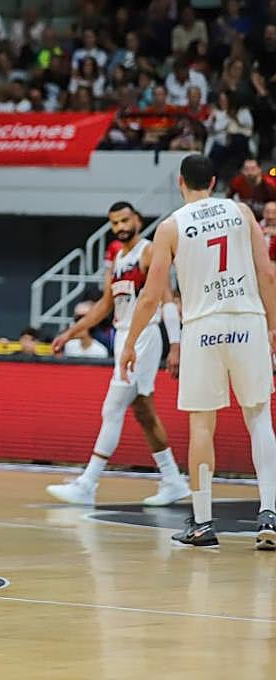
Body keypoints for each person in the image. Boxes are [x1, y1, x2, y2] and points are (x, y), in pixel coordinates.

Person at [121, 155, 276, 550]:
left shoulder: (171, 226)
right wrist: (273, 327)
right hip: (247, 319)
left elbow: (152, 295)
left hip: (202, 327)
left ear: (180, 183)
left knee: (202, 425)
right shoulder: (242, 212)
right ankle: (270, 515)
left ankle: (203, 524)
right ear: (213, 180)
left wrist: (129, 342)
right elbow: (268, 274)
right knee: (258, 417)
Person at [48, 202, 190, 506]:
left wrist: (175, 345)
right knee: (143, 411)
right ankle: (174, 481)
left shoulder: (149, 251)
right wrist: (69, 333)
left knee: (112, 409)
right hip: (122, 336)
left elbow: (166, 300)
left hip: (145, 336)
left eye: (125, 220)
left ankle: (88, 483)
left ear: (138, 219)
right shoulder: (118, 257)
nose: (120, 227)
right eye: (114, 223)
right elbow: (103, 305)